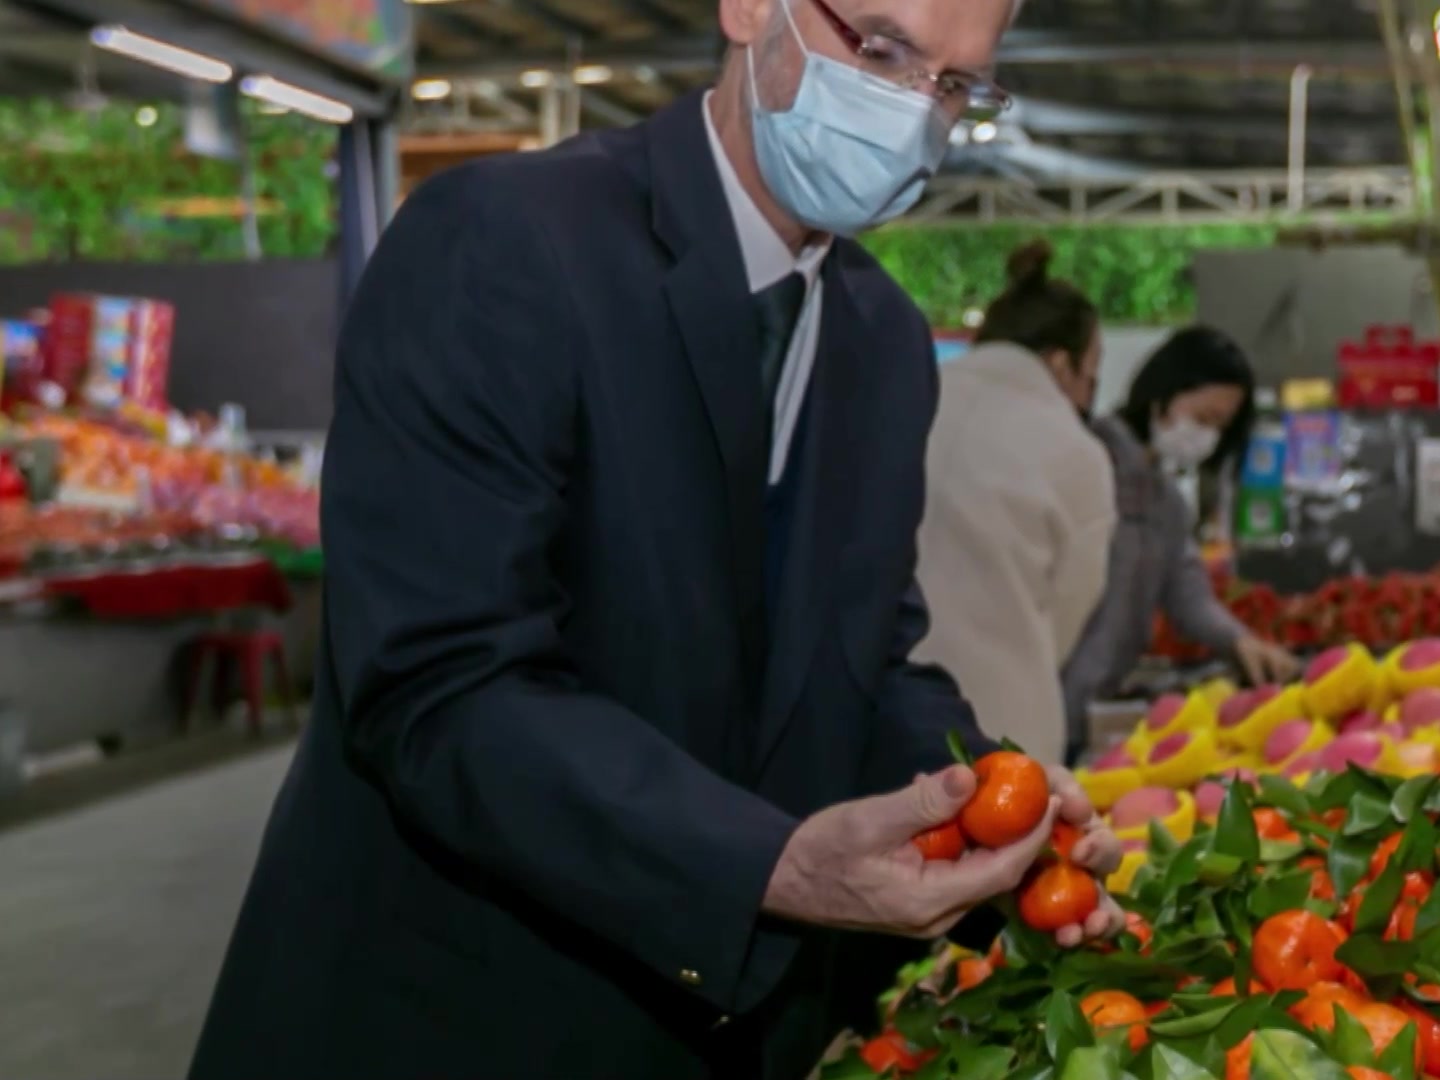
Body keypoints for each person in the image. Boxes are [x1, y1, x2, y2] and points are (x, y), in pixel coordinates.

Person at [188, 1, 1123, 1077]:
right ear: (745, 9)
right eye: (878, 49)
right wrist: (763, 866)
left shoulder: (883, 344)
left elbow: (856, 665)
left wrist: (992, 814)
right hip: (452, 1018)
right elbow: (442, 682)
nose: (913, 113)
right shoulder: (506, 245)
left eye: (956, 86)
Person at [915, 241, 1115, 764]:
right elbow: (1066, 614)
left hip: (868, 719)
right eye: (1091, 377)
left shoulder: (906, 397)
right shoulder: (1075, 451)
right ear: (1059, 362)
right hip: (1001, 728)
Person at [1062, 326, 1300, 753]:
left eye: (1220, 427)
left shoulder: (1166, 502)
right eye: (1204, 418)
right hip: (1044, 696)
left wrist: (1239, 641)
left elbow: (1187, 592)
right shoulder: (1083, 460)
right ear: (1163, 394)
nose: (1207, 436)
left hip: (1093, 708)